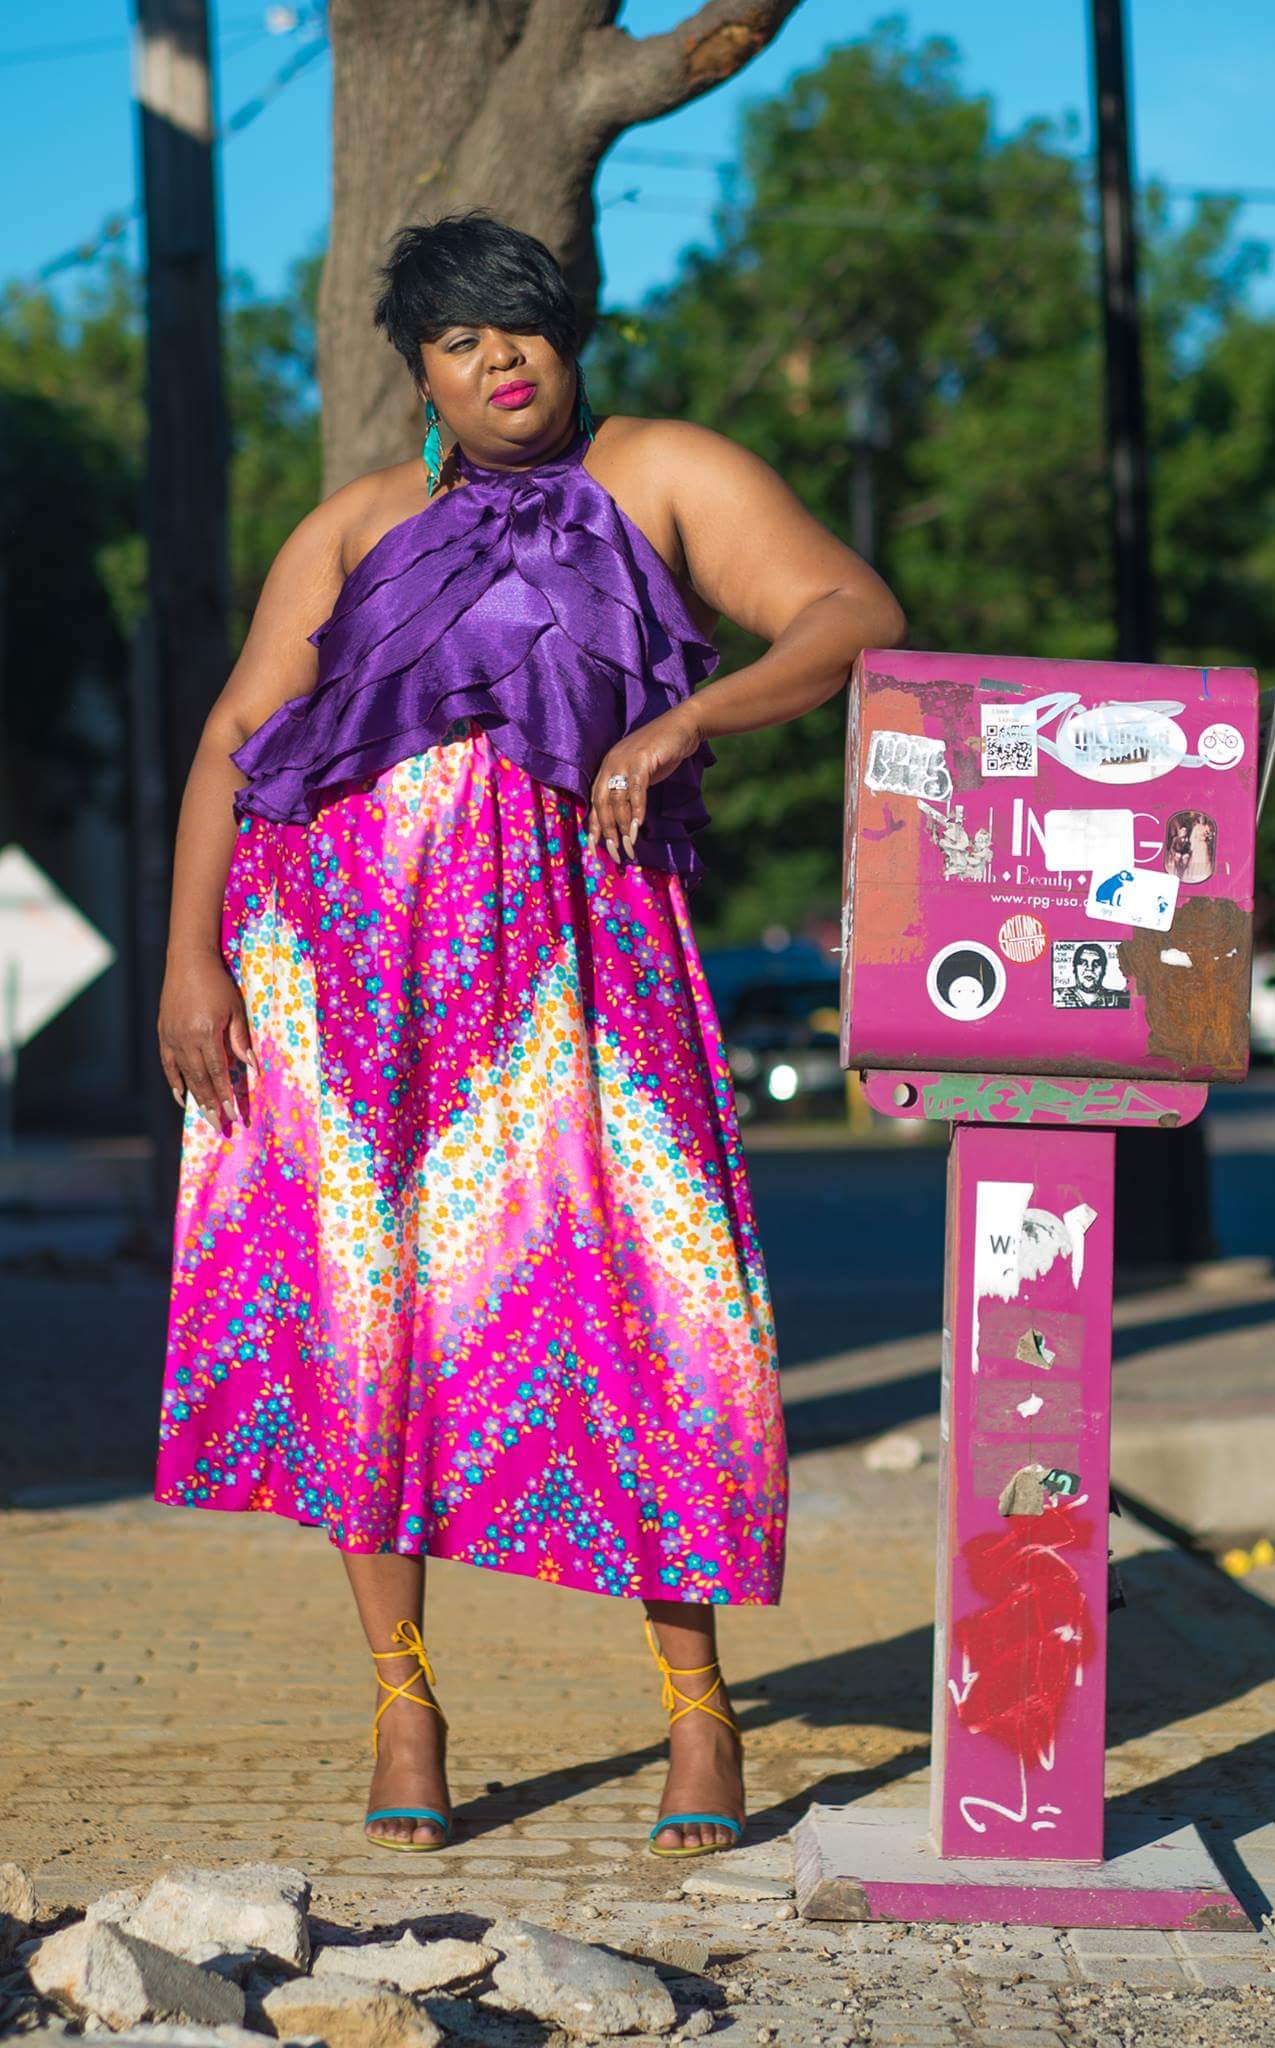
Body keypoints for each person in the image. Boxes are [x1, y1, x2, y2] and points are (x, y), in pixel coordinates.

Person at [153, 211, 905, 1860]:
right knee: (369, 1325)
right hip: (349, 981)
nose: (499, 360)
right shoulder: (358, 520)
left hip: (582, 972)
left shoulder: (661, 470)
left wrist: (683, 718)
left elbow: (853, 613)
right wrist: (188, 960)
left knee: (660, 1311)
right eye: (460, 340)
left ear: (570, 339)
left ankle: (697, 1708)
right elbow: (232, 735)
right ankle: (404, 1700)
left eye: (524, 329)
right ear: (419, 370)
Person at [1057, 942, 1126, 1009]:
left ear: (1104, 970)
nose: (1090, 968)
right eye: (1083, 963)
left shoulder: (1120, 999)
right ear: (1074, 969)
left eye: (1096, 964)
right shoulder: (1057, 996)